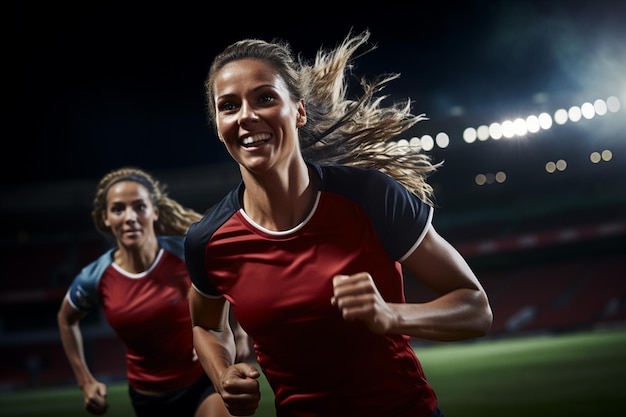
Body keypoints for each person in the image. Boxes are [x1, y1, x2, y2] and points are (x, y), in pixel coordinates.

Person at [184, 30, 493, 417]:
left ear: (298, 111)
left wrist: (391, 315)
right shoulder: (207, 240)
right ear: (218, 124)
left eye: (265, 98)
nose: (246, 116)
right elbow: (207, 327)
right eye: (228, 106)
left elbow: (475, 309)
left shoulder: (368, 197)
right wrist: (222, 374)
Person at [57, 167, 251, 417]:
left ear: (154, 212)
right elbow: (66, 319)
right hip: (148, 398)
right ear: (105, 218)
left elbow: (227, 284)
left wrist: (238, 333)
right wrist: (85, 381)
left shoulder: (185, 253)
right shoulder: (94, 277)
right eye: (118, 209)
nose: (130, 217)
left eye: (139, 206)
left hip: (205, 381)